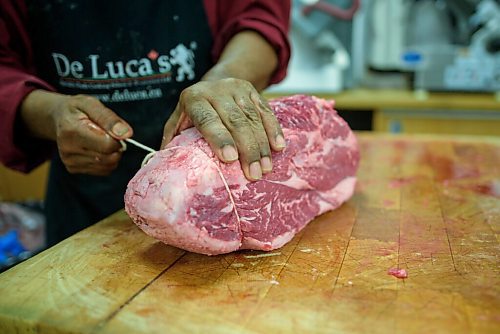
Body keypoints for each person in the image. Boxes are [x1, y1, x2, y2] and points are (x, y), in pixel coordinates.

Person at [0, 0, 291, 247]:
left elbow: (259, 16)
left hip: (213, 197)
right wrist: (49, 114)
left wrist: (227, 76)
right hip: (84, 204)